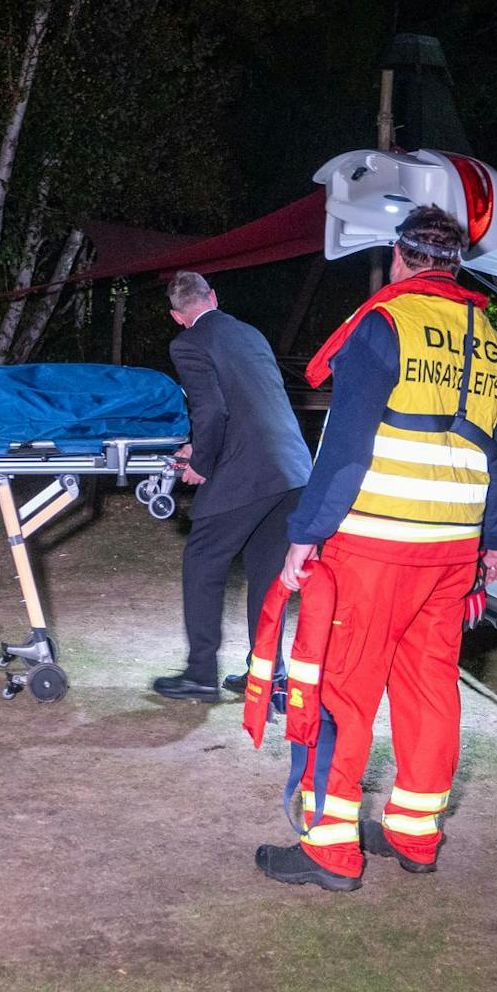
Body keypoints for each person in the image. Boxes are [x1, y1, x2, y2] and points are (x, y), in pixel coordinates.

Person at [255, 207, 497, 890]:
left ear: (400, 258)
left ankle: (331, 850)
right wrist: (490, 542)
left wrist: (305, 533)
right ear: (456, 264)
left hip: (377, 543)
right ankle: (415, 833)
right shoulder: (492, 339)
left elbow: (346, 448)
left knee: (341, 689)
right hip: (453, 551)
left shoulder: (386, 322)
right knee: (430, 690)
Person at [151, 272, 311, 703]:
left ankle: (201, 674)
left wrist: (200, 463)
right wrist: (199, 448)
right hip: (292, 470)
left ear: (176, 316)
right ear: (213, 297)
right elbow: (249, 406)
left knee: (202, 560)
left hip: (249, 472)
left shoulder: (188, 343)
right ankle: (268, 674)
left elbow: (211, 410)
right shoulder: (250, 334)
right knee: (267, 574)